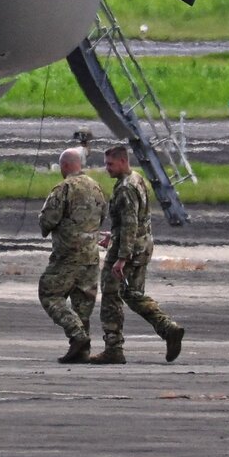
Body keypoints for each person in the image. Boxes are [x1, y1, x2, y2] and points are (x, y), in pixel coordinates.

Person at [91, 144, 185, 365]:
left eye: (110, 164)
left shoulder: (125, 188)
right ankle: (168, 328)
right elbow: (134, 221)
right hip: (142, 246)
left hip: (129, 250)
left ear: (123, 161)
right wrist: (113, 238)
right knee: (132, 294)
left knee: (111, 296)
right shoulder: (137, 179)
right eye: (106, 164)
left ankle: (113, 348)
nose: (107, 168)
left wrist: (121, 257)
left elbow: (130, 223)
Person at [37, 146, 107, 363]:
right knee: (82, 303)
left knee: (49, 293)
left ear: (64, 166)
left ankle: (77, 336)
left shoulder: (63, 188)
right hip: (91, 254)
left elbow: (48, 219)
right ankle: (81, 350)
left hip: (68, 253)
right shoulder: (96, 188)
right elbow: (102, 216)